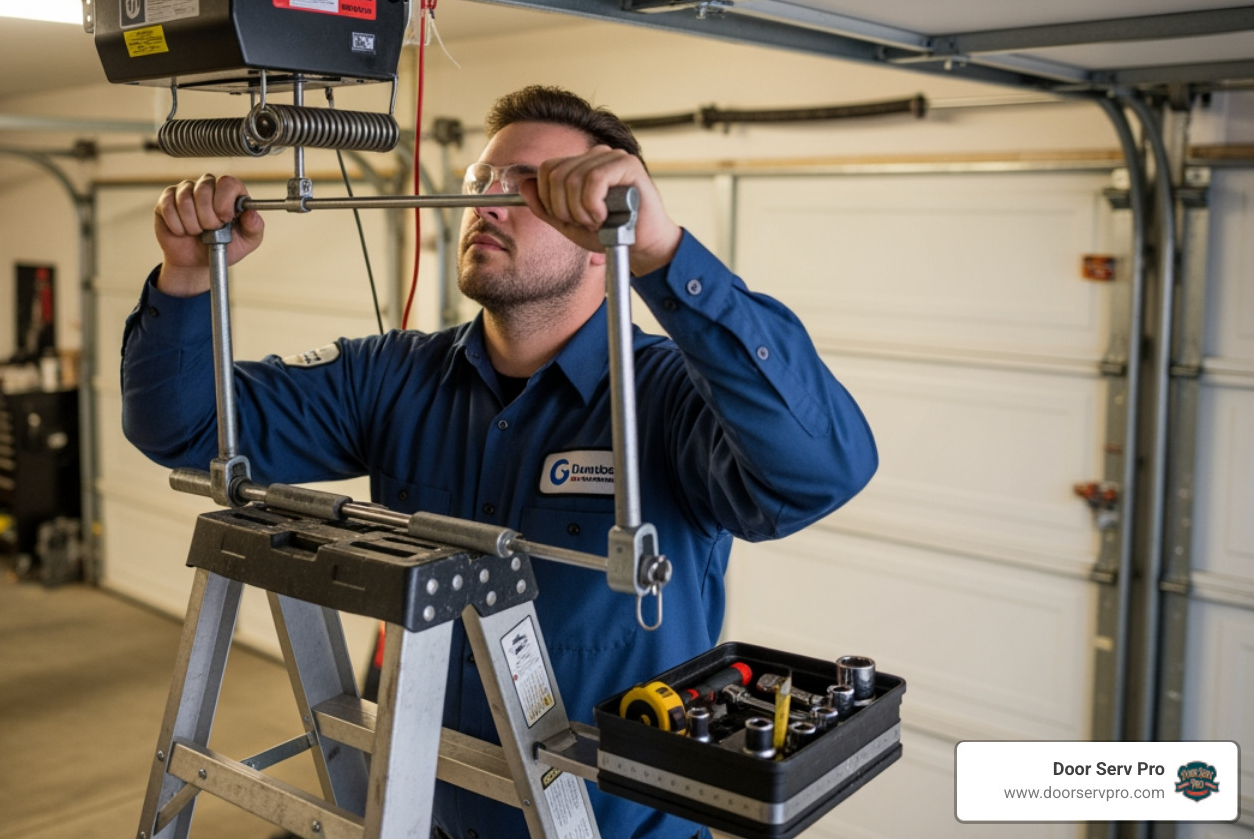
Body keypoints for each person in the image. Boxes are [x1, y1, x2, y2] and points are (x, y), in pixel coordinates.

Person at [121, 85, 877, 839]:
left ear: (603, 236)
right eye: (480, 182)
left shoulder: (669, 400)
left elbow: (821, 472)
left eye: (532, 190)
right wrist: (187, 277)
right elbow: (183, 429)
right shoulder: (392, 378)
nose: (484, 203)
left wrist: (664, 256)